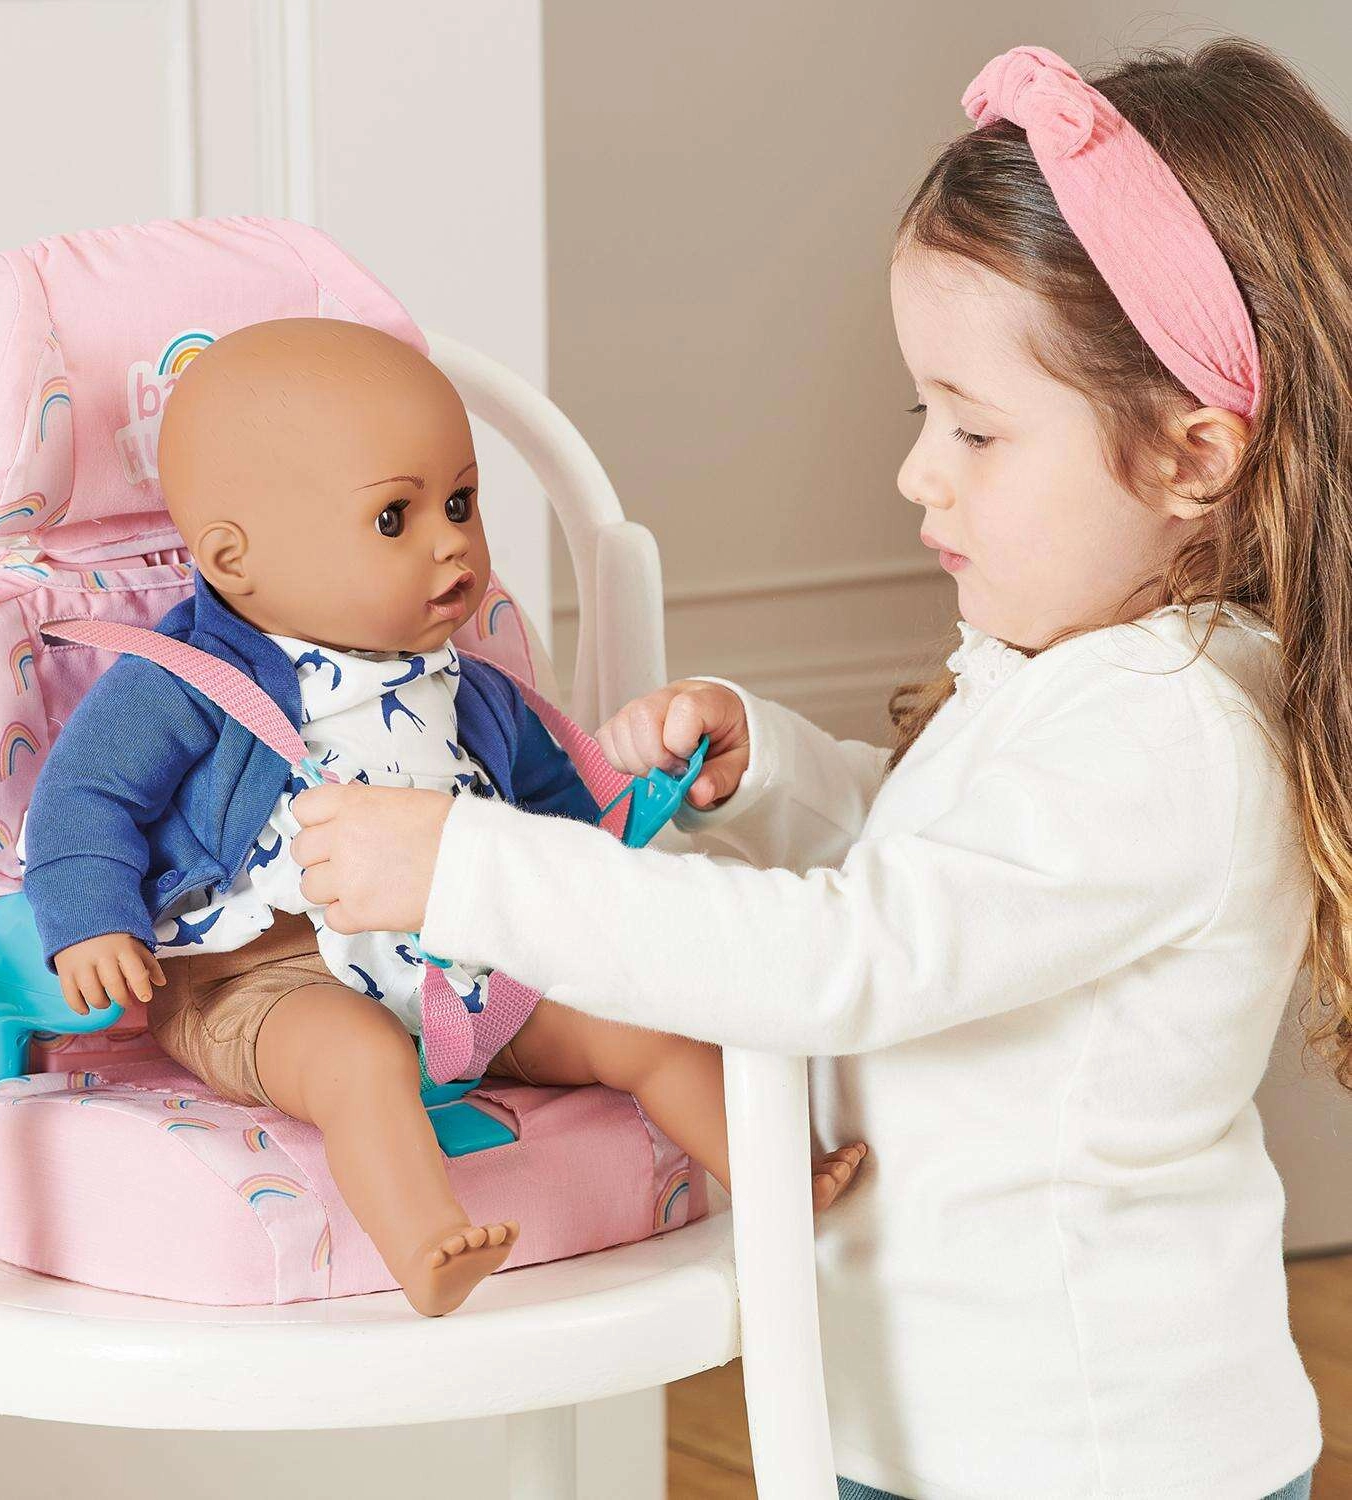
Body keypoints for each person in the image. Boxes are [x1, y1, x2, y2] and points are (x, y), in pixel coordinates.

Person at [289, 39, 1352, 1498]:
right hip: (944, 1430)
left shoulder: (1166, 737)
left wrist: (469, 871)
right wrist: (775, 776)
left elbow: (851, 958)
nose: (920, 470)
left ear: (1192, 457)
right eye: (926, 417)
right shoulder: (1092, 676)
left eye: (976, 428)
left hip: (1084, 1453)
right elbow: (947, 874)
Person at [23, 318, 863, 1319]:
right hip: (265, 977)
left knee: (639, 1022)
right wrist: (91, 920)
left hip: (464, 960)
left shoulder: (472, 686)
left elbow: (553, 820)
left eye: (460, 502)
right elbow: (84, 797)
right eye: (396, 517)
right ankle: (427, 1239)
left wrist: (629, 817)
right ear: (235, 560)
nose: (453, 540)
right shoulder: (186, 680)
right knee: (357, 1062)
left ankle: (774, 1177)